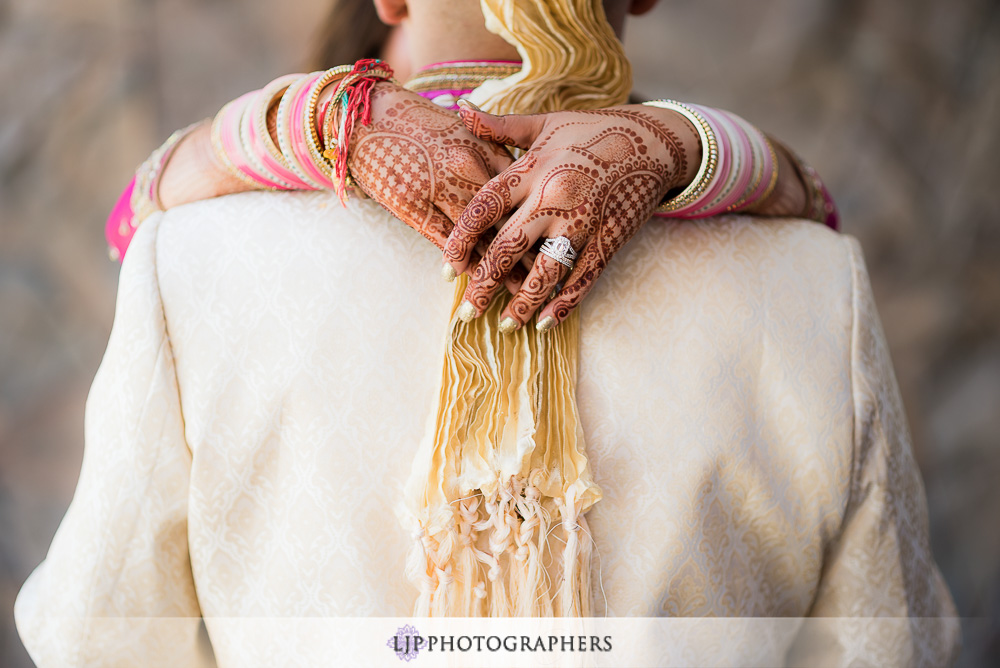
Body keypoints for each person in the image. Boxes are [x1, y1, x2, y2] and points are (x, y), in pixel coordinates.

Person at [15, 0, 959, 665]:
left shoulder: (193, 261)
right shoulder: (811, 283)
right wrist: (681, 146)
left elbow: (103, 637)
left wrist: (322, 120)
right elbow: (887, 646)